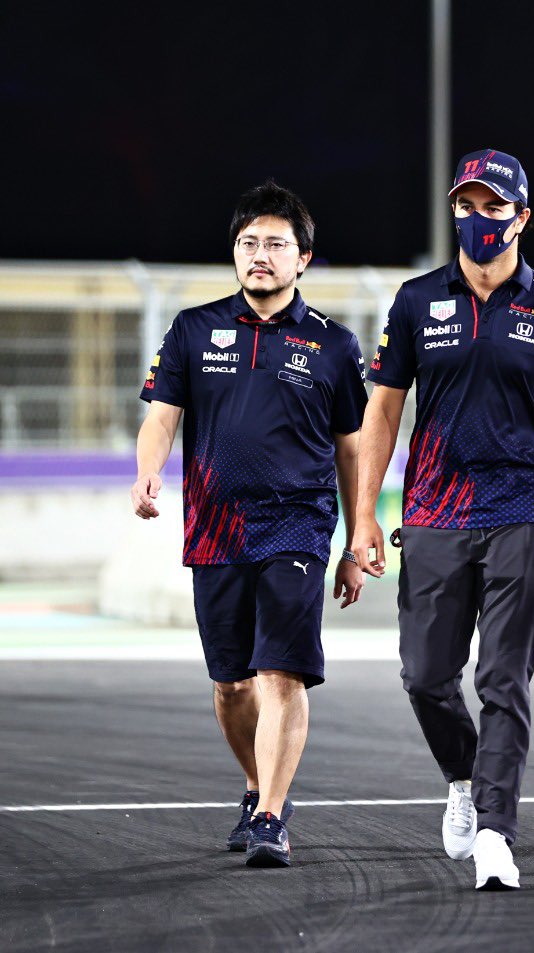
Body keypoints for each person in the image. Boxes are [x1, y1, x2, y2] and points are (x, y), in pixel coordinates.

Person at [352, 149, 534, 891]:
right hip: (432, 512)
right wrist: (363, 516)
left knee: (503, 681)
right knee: (425, 676)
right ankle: (463, 778)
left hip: (520, 510)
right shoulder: (415, 300)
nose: (478, 218)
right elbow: (382, 414)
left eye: (494, 207)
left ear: (522, 218)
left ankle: (495, 832)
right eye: (467, 205)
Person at [131, 181, 368, 867]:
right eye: (248, 243)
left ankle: (270, 817)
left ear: (303, 258)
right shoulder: (192, 329)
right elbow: (161, 416)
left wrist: (358, 537)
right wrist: (148, 470)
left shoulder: (334, 345)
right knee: (232, 684)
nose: (260, 255)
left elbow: (353, 450)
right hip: (215, 529)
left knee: (280, 675)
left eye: (275, 245)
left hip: (298, 524)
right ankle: (257, 784)